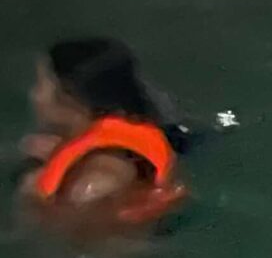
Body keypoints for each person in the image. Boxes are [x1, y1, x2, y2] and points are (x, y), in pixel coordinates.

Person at [18, 38, 190, 231]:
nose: (34, 95)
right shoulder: (133, 132)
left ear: (67, 98)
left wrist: (32, 197)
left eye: (40, 85)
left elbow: (77, 246)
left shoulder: (93, 183)